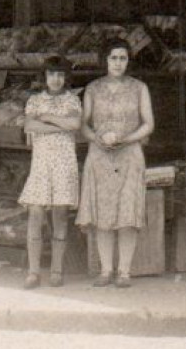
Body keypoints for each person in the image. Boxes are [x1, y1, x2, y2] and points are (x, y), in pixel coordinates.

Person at [76, 38, 154, 288]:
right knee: (102, 213)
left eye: (122, 58)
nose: (118, 63)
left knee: (127, 213)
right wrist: (98, 138)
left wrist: (126, 139)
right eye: (113, 58)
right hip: (100, 155)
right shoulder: (92, 88)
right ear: (105, 60)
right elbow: (83, 125)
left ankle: (124, 272)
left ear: (128, 61)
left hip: (130, 154)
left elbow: (149, 124)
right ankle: (106, 270)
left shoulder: (139, 88)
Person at [17, 55, 82, 289]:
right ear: (45, 77)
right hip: (41, 164)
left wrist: (46, 117)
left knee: (60, 216)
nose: (56, 79)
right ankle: (33, 272)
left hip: (64, 164)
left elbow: (75, 125)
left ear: (66, 77)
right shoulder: (35, 100)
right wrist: (59, 124)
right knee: (35, 214)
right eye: (51, 74)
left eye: (60, 74)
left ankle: (56, 270)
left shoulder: (73, 100)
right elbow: (29, 126)